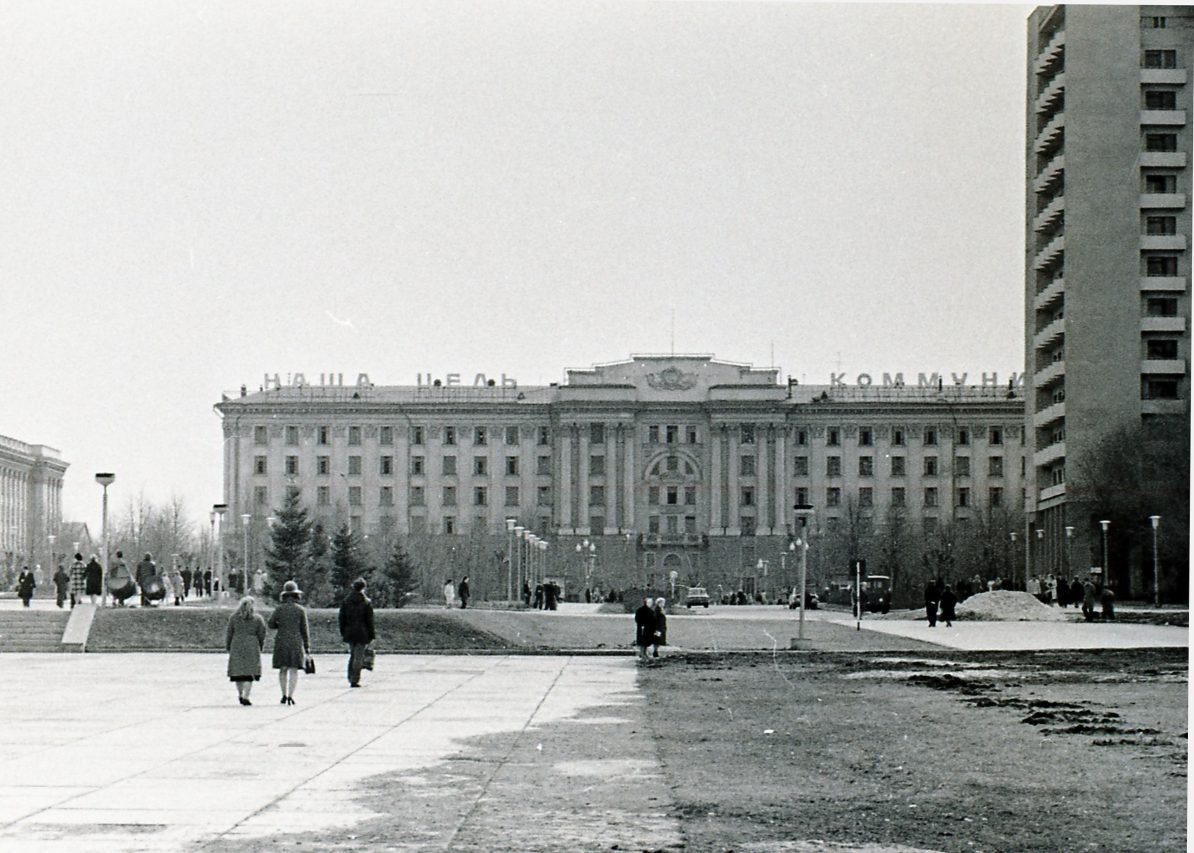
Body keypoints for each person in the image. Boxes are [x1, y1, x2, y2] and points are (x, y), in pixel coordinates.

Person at [269, 580, 310, 705]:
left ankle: (283, 694)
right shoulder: (300, 610)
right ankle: (291, 695)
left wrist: (279, 625)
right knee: (294, 670)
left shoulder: (279, 609)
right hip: (296, 642)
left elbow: (271, 623)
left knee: (283, 669)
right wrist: (307, 647)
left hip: (281, 641)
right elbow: (305, 629)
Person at [226, 595, 267, 705]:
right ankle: (246, 695)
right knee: (250, 672)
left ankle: (240, 694)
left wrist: (228, 646)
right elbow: (262, 634)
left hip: (237, 643)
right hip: (252, 645)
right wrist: (261, 646)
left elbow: (229, 633)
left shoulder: (234, 617)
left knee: (238, 672)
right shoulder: (258, 619)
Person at [339, 578, 375, 688]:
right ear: (363, 588)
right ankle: (355, 679)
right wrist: (372, 635)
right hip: (362, 632)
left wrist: (343, 632)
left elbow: (341, 618)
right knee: (358, 656)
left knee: (353, 654)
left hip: (349, 632)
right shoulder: (366, 602)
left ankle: (350, 676)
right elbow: (370, 620)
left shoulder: (346, 601)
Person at [634, 597, 655, 662]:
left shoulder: (650, 610)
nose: (651, 603)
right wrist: (642, 624)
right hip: (643, 629)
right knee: (643, 642)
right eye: (650, 602)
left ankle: (644, 654)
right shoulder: (641, 610)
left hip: (648, 629)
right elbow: (637, 619)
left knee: (646, 642)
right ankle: (642, 654)